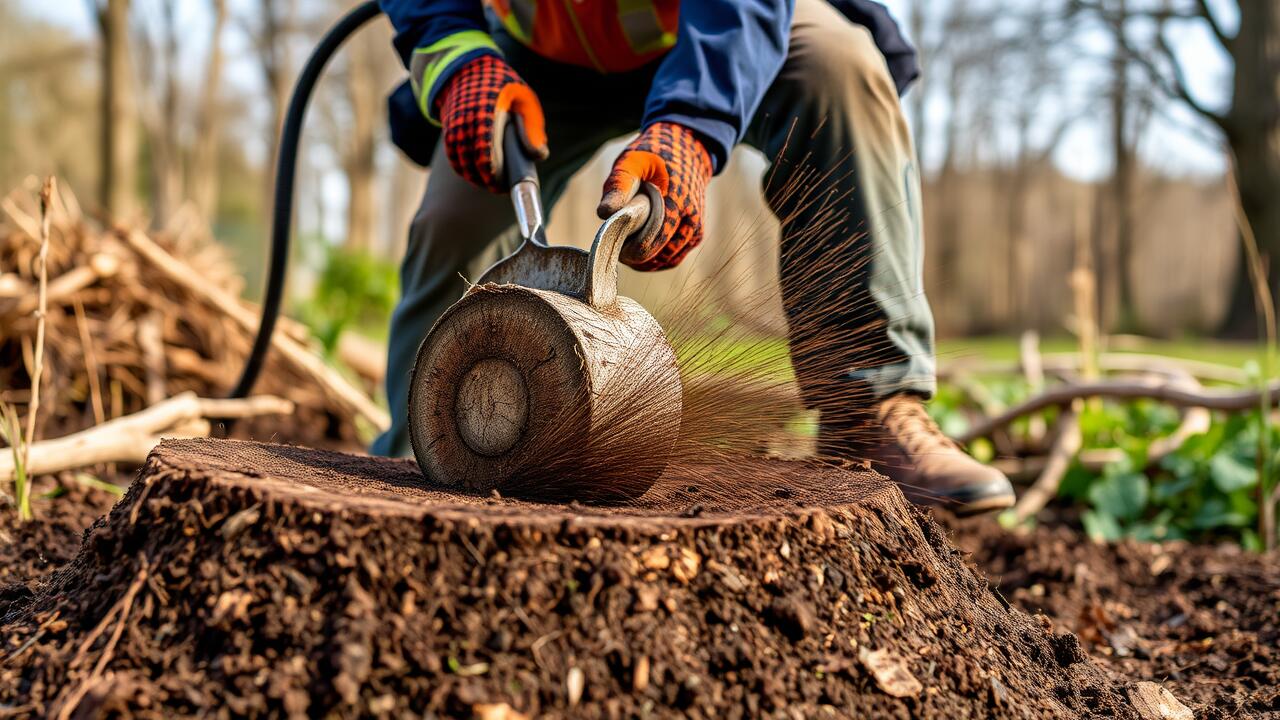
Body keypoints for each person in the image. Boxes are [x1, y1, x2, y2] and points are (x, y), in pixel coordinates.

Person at [373, 0, 1016, 514]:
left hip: (711, 33)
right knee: (453, 218)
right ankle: (419, 447)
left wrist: (693, 126)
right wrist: (457, 59)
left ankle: (871, 415)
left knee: (838, 72)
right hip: (535, 55)